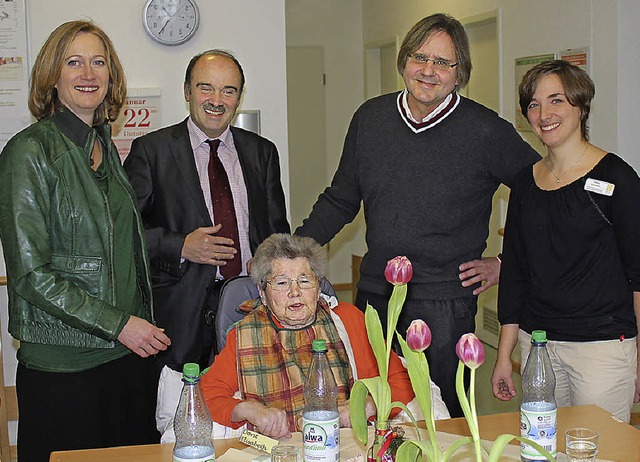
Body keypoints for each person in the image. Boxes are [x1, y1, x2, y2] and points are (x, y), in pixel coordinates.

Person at [295, 13, 539, 417]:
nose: (428, 71)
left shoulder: (485, 131)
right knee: (375, 413)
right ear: (403, 61)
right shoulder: (370, 119)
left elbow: (540, 196)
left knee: (440, 422)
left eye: (443, 62)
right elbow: (340, 199)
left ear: (460, 74)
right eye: (419, 57)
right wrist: (294, 253)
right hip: (375, 296)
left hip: (444, 304)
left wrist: (505, 264)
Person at [0, 20, 171, 461]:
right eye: (73, 62)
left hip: (125, 359)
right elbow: (32, 276)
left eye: (98, 62)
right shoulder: (29, 152)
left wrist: (133, 327)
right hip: (65, 368)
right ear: (51, 76)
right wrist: (120, 324)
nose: (88, 73)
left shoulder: (104, 146)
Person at [123, 49, 290, 439]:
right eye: (206, 88)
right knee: (184, 428)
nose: (217, 100)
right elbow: (125, 236)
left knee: (249, 424)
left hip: (251, 312)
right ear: (187, 91)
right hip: (180, 319)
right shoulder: (152, 151)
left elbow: (277, 232)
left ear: (240, 97)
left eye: (228, 91)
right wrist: (181, 245)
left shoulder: (262, 153)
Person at [491, 60, 640, 422]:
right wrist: (503, 358)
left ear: (580, 105)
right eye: (534, 104)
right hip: (537, 346)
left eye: (556, 100)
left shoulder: (616, 177)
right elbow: (515, 275)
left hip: (602, 348)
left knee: (597, 452)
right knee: (542, 450)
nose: (544, 114)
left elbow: (638, 275)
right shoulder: (524, 183)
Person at [199, 233, 448, 438]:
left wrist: (367, 406)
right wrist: (248, 409)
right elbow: (207, 395)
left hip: (345, 445)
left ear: (318, 287)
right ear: (263, 293)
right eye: (282, 283)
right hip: (279, 450)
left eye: (305, 281)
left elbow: (402, 380)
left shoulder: (348, 320)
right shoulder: (244, 334)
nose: (295, 292)